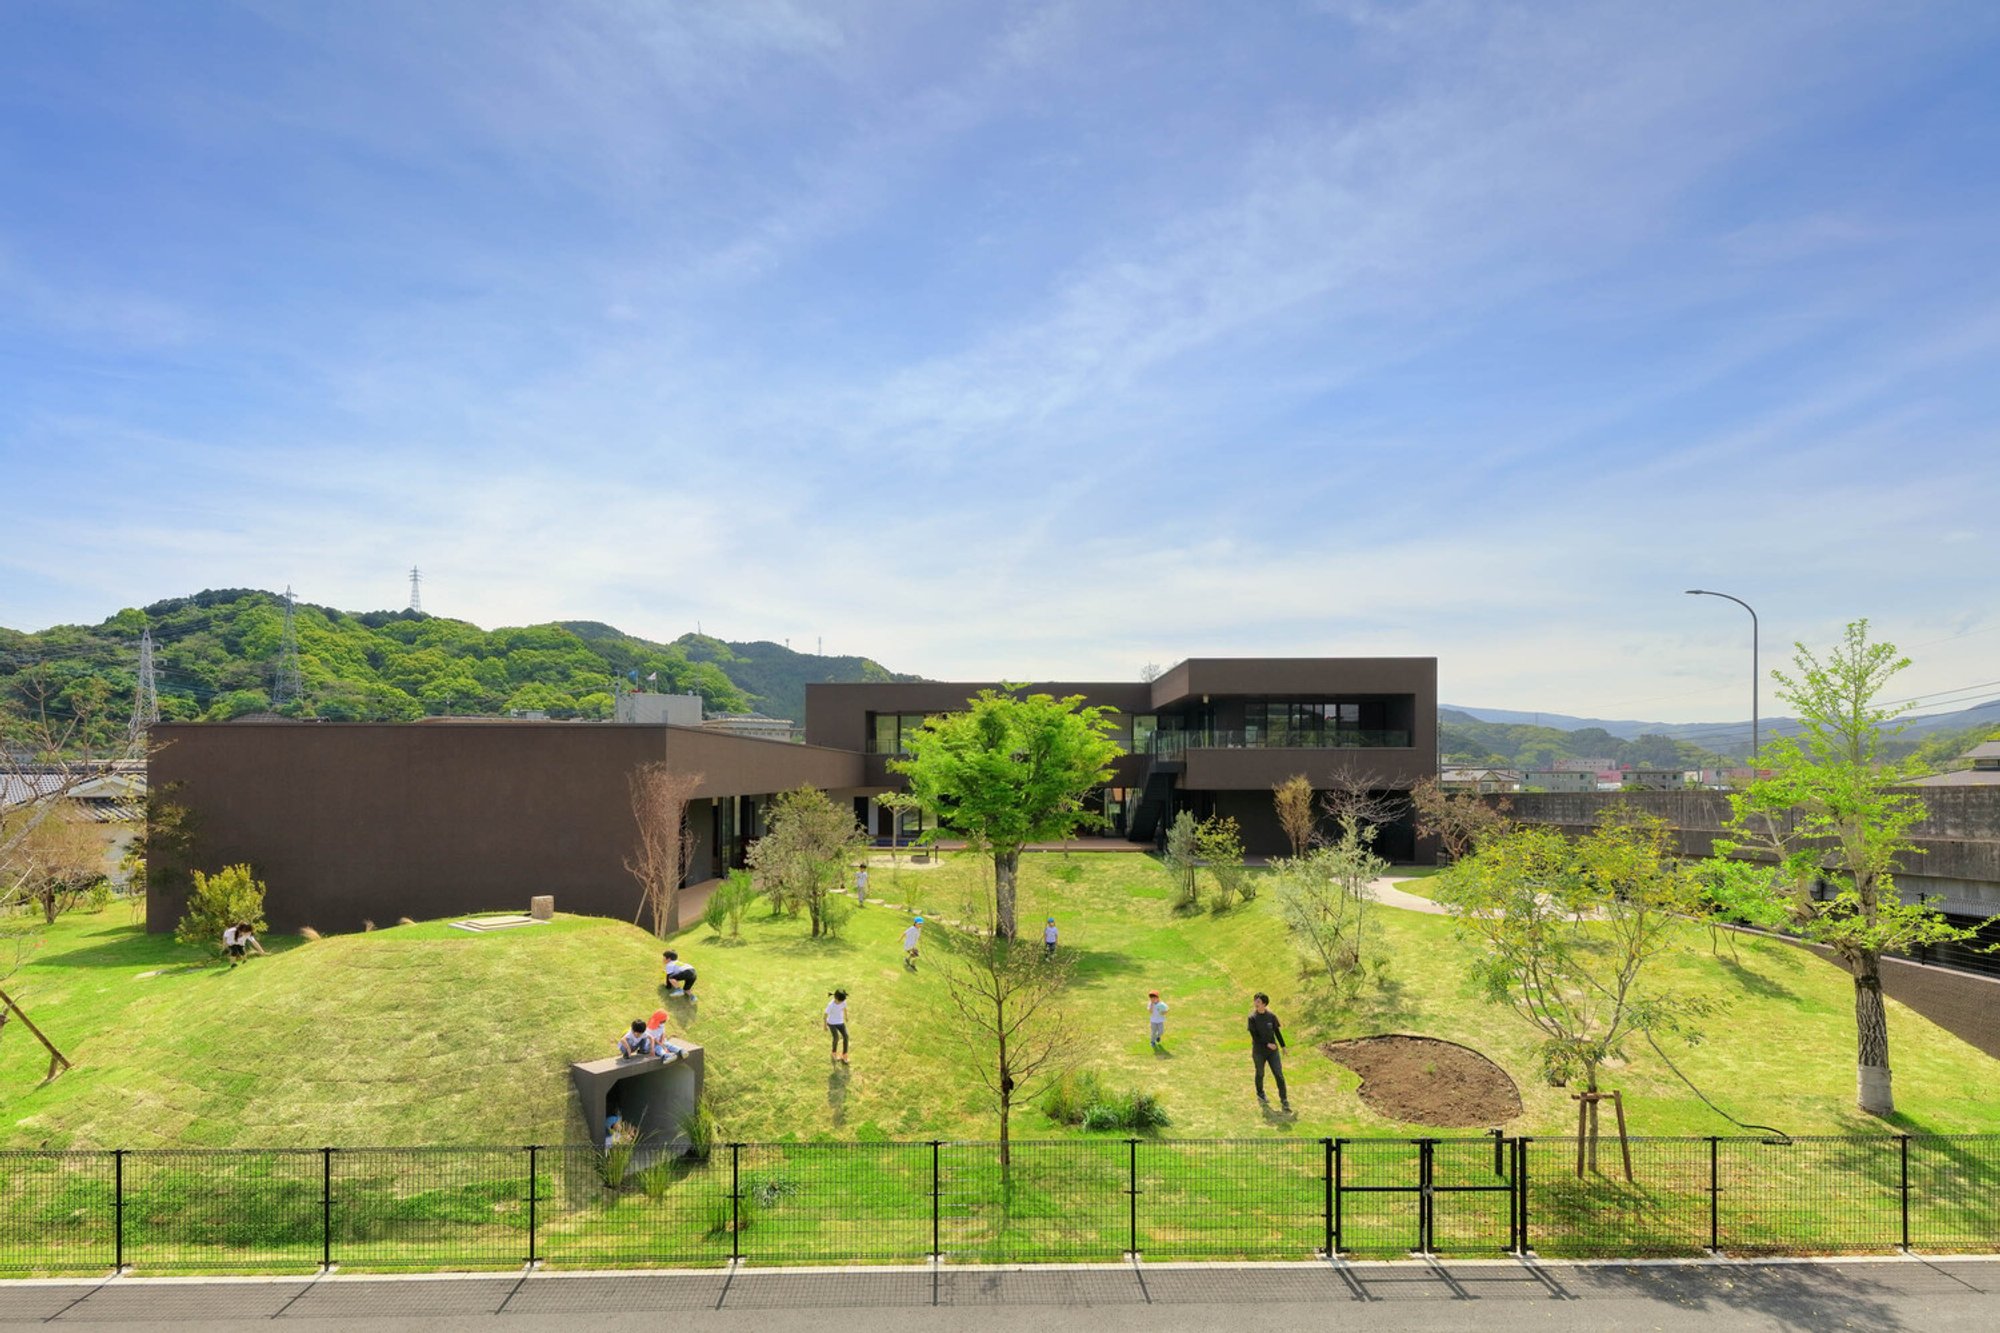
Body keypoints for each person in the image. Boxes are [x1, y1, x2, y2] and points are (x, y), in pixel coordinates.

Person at [1248, 993, 1290, 1112]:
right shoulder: (1252, 1018)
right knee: (1260, 1073)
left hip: (1273, 1052)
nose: (1256, 1003)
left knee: (1279, 1075)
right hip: (1259, 1052)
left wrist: (1283, 1046)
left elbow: (1277, 1032)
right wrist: (1267, 1044)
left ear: (1264, 1004)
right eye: (1255, 1001)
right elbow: (1255, 1037)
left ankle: (1284, 1099)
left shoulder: (1271, 1016)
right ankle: (1260, 1093)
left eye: (1258, 1001)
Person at [825, 988, 850, 1062]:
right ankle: (834, 1053)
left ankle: (844, 1054)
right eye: (839, 1001)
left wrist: (846, 1016)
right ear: (835, 997)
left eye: (842, 1001)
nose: (841, 1003)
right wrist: (825, 1025)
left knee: (846, 1036)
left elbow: (845, 1009)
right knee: (836, 1037)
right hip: (831, 1023)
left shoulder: (843, 1001)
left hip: (840, 1022)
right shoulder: (830, 1005)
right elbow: (825, 1015)